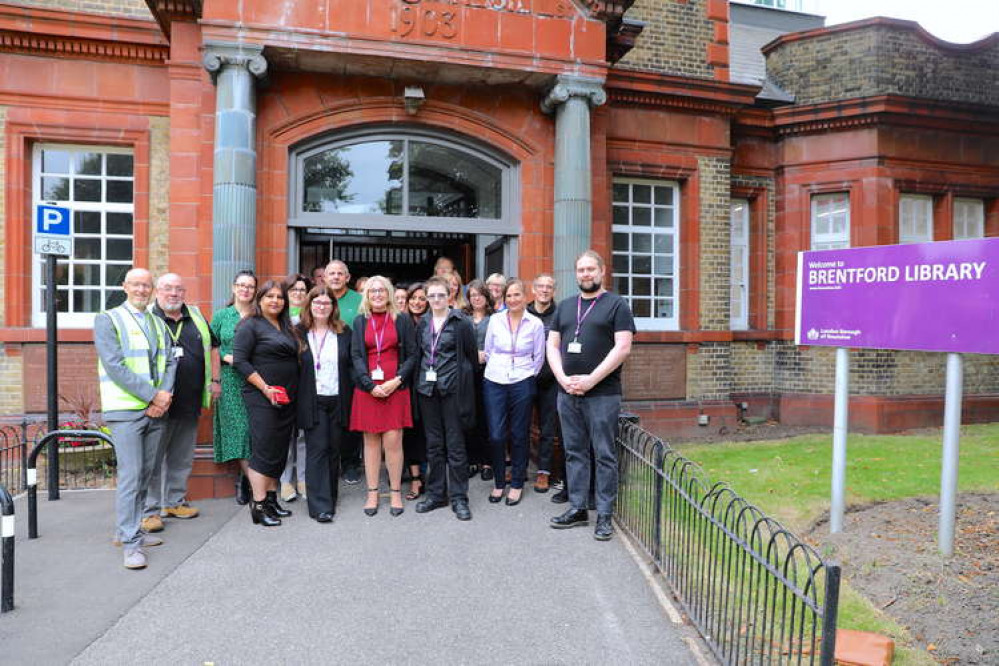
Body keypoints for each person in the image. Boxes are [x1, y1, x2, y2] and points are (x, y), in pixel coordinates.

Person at [548, 250, 635, 541]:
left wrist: (590, 380)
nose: (586, 274)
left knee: (604, 454)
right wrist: (563, 379)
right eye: (581, 270)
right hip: (567, 392)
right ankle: (578, 508)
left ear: (602, 271)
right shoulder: (565, 306)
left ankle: (605, 515)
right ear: (576, 274)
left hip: (603, 394)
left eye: (590, 269)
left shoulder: (617, 305)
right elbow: (552, 346)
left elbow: (622, 349)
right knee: (574, 452)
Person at [95, 268, 177, 569]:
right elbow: (115, 365)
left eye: (146, 285)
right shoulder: (108, 319)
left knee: (145, 474)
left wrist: (164, 396)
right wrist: (153, 396)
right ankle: (130, 544)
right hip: (126, 411)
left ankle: (129, 530)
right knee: (131, 477)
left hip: (156, 410)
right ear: (125, 287)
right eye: (136, 285)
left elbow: (169, 360)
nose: (142, 290)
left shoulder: (157, 322)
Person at [143, 273, 218, 534]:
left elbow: (212, 348)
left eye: (178, 289)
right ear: (157, 291)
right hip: (157, 402)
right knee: (152, 460)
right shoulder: (147, 317)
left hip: (189, 399)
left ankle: (174, 501)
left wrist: (215, 380)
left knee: (182, 457)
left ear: (184, 293)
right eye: (167, 289)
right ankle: (150, 510)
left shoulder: (195, 315)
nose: (173, 294)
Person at [233, 280, 300, 527]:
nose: (275, 301)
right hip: (262, 397)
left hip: (286, 397)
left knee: (278, 450)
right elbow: (240, 361)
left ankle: (271, 500)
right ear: (259, 299)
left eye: (280, 297)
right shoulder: (250, 325)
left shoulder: (285, 325)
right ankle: (258, 505)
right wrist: (265, 388)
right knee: (263, 449)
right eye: (269, 296)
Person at [350, 275, 417, 517]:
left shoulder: (402, 320)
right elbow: (356, 356)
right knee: (370, 443)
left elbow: (412, 355)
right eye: (372, 291)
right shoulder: (360, 321)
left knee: (393, 442)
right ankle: (372, 492)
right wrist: (369, 385)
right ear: (366, 295)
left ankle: (396, 491)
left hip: (395, 388)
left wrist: (397, 380)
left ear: (388, 293)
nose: (377, 295)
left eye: (381, 290)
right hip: (368, 390)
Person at [413, 277, 478, 521]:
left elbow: (470, 357)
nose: (437, 300)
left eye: (441, 295)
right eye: (432, 296)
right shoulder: (423, 322)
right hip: (427, 391)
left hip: (453, 391)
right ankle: (436, 493)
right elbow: (420, 354)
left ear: (450, 296)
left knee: (456, 445)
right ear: (427, 297)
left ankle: (460, 497)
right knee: (433, 445)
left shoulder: (461, 321)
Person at [482, 278, 546, 506]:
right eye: (508, 296)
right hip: (495, 381)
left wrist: (526, 375)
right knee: (497, 435)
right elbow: (488, 350)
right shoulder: (495, 321)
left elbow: (539, 357)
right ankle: (499, 482)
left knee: (520, 434)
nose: (512, 299)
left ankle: (517, 483)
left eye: (517, 295)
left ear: (525, 296)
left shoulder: (535, 324)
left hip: (523, 380)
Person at [296, 286, 353, 522]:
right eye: (317, 303)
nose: (321, 307)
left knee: (333, 449)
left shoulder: (343, 332)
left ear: (333, 307)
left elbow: (350, 364)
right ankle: (319, 506)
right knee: (318, 449)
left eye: (326, 303)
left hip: (338, 398)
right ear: (309, 305)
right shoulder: (298, 332)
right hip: (312, 400)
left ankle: (329, 496)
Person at [210, 270, 257, 505]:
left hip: (255, 379)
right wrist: (215, 380)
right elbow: (213, 348)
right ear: (233, 287)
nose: (245, 289)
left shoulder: (259, 315)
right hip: (229, 380)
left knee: (255, 430)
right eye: (241, 285)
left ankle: (252, 480)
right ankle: (249, 481)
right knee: (239, 430)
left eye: (250, 286)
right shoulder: (221, 316)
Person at [325, 259, 363, 484]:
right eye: (332, 273)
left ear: (348, 278)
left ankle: (350, 463)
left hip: (351, 367)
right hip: (324, 367)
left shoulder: (358, 301)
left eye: (340, 274)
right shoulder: (318, 297)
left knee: (350, 417)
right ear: (325, 277)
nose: (336, 277)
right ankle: (330, 462)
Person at [280, 273, 312, 502]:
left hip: (306, 383)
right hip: (283, 382)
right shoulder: (277, 318)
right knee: (285, 434)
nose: (298, 294)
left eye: (302, 290)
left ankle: (302, 478)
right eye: (294, 290)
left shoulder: (311, 318)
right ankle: (284, 480)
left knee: (302, 434)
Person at [527, 273, 559, 493]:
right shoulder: (523, 313)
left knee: (548, 427)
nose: (545, 290)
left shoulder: (560, 314)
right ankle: (517, 468)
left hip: (551, 379)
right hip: (525, 377)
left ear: (553, 291)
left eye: (549, 287)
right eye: (541, 286)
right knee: (520, 425)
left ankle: (543, 472)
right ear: (533, 289)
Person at [462, 279, 494, 481]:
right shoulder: (461, 317)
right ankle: (471, 459)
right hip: (466, 373)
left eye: (480, 294)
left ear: (486, 296)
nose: (476, 298)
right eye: (473, 295)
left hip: (489, 372)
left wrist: (487, 354)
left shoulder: (496, 318)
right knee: (468, 416)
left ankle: (487, 461)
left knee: (487, 417)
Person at [403, 282, 428, 500]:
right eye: (414, 298)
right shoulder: (401, 321)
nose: (417, 302)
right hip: (405, 383)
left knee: (429, 432)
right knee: (411, 432)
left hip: (429, 384)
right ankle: (415, 478)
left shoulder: (432, 322)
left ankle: (431, 476)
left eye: (422, 298)